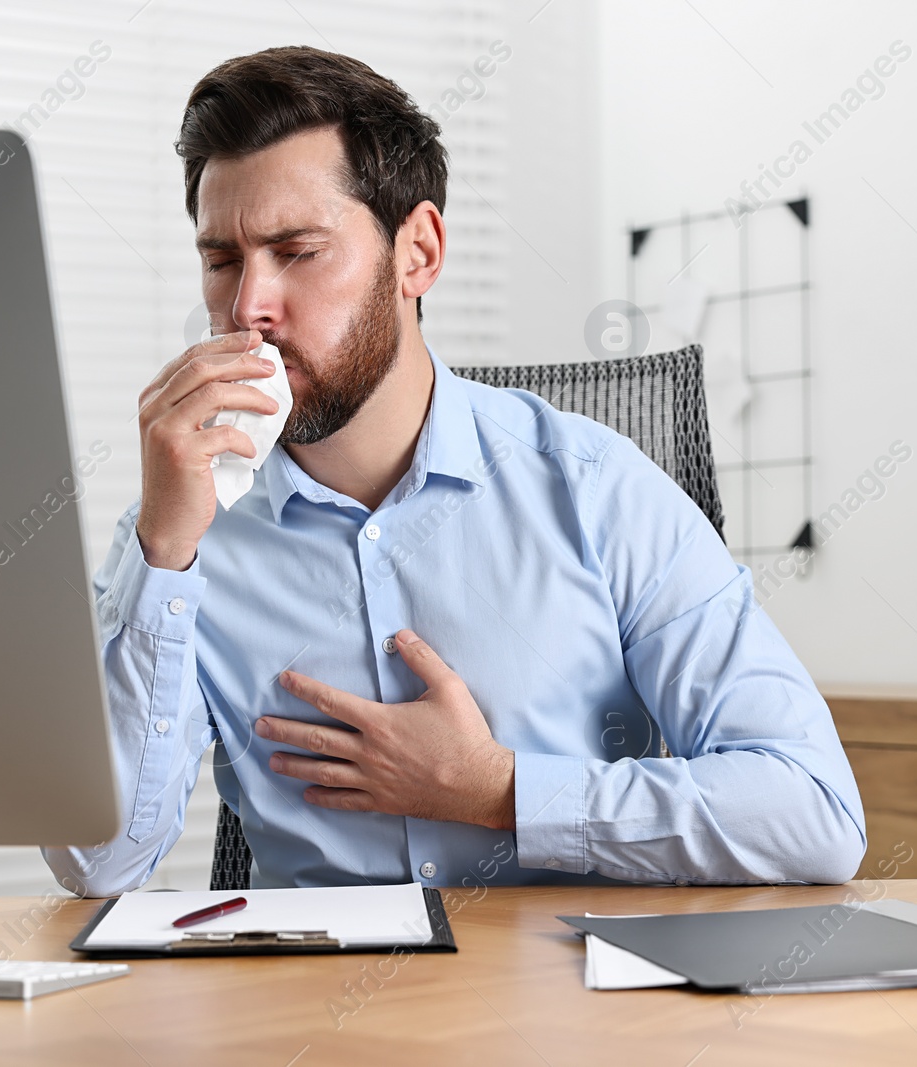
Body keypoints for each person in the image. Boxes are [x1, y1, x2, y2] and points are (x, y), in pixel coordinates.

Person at [44, 45, 865, 895]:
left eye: (297, 251)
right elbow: (97, 865)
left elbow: (814, 812)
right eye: (223, 260)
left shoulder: (597, 488)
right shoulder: (182, 543)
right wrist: (163, 549)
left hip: (572, 1008)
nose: (249, 304)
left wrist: (501, 790)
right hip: (311, 1021)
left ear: (419, 252)